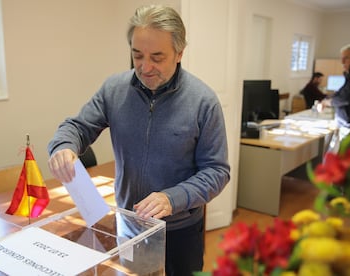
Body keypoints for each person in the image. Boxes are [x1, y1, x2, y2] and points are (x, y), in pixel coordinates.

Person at [47, 5, 230, 276]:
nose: (145, 68)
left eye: (157, 57)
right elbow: (77, 126)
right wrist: (64, 146)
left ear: (179, 53)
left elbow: (217, 171)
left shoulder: (203, 102)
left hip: (180, 230)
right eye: (137, 55)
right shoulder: (114, 89)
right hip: (129, 225)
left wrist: (172, 198)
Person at [322, 44, 350, 148]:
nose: (342, 62)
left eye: (346, 58)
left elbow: (345, 97)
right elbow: (341, 92)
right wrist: (327, 99)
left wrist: (328, 102)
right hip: (346, 124)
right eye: (342, 58)